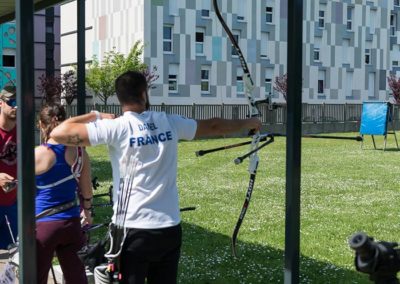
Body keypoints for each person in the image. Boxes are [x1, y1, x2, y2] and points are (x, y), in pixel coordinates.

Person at [49, 70, 262, 284]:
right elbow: (214, 126)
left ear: (119, 97)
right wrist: (247, 123)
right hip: (168, 228)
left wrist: (96, 115)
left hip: (133, 231)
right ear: (144, 94)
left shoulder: (116, 127)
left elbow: (58, 132)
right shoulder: (168, 122)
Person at [35, 103, 93, 284]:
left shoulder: (36, 154)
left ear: (41, 125)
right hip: (71, 222)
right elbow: (86, 188)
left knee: (36, 277)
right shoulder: (79, 152)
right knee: (77, 277)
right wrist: (88, 211)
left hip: (43, 224)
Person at [0, 85, 18, 250]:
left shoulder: (24, 132)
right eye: (11, 101)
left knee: (13, 254)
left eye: (19, 101)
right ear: (1, 103)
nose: (16, 106)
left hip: (14, 204)